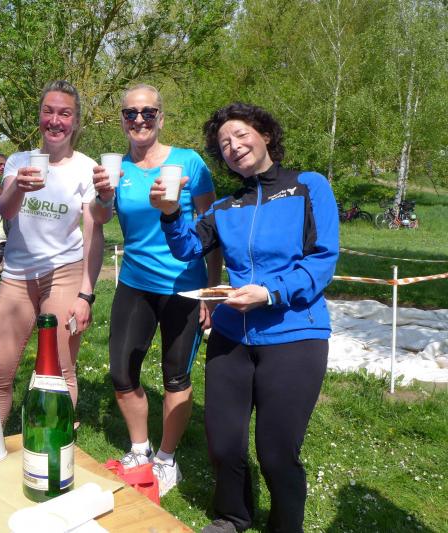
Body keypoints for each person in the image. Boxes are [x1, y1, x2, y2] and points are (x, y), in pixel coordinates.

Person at [153, 102, 339, 533]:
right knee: (223, 444)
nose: (233, 146)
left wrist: (271, 293)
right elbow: (186, 248)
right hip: (231, 337)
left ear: (265, 135)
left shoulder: (307, 187)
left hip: (295, 335)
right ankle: (232, 517)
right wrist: (169, 212)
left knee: (277, 453)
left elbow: (322, 259)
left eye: (240, 135)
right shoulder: (224, 206)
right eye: (224, 144)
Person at [90, 83, 222, 497]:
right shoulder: (117, 169)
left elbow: (214, 228)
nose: (139, 120)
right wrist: (103, 195)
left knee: (175, 376)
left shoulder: (189, 163)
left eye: (148, 112)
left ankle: (166, 459)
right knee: (121, 371)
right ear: (122, 120)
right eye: (131, 113)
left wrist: (213, 291)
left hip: (184, 285)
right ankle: (139, 449)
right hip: (135, 283)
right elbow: (99, 218)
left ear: (160, 118)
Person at [0, 80, 104, 425]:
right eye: (48, 111)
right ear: (39, 116)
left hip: (64, 273)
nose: (55, 120)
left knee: (61, 372)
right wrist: (20, 186)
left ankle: (57, 447)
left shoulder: (86, 168)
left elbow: (94, 233)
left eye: (64, 113)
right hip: (16, 276)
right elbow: (5, 210)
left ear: (75, 121)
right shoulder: (19, 161)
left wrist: (86, 294)